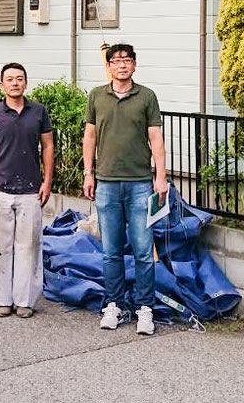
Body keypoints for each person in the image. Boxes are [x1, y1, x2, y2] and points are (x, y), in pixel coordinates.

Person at [82, 43, 168, 336]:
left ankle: (145, 309)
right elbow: (89, 136)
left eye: (127, 60)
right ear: (108, 66)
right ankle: (114, 304)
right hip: (105, 183)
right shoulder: (96, 96)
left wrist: (161, 177)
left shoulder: (146, 96)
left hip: (141, 184)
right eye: (116, 61)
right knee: (111, 251)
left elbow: (155, 138)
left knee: (144, 250)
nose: (122, 65)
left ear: (134, 65)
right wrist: (88, 173)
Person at [0, 62, 54, 318]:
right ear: (2, 85)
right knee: (0, 246)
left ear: (26, 83)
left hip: (31, 189)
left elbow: (47, 147)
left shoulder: (39, 112)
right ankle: (2, 299)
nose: (14, 83)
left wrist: (47, 182)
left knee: (29, 246)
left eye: (19, 79)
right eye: (9, 79)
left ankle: (25, 301)